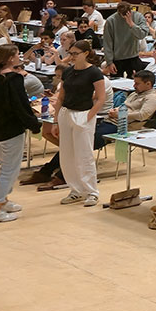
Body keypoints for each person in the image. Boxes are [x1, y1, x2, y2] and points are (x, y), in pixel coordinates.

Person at [0, 44, 40, 224]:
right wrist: (34, 125)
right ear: (10, 58)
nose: (19, 56)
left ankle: (4, 201)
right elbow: (20, 106)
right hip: (10, 131)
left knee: (7, 167)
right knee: (9, 171)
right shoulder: (13, 79)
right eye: (17, 54)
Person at [54, 41, 106, 207]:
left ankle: (91, 192)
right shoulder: (68, 71)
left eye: (76, 53)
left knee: (84, 155)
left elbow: (100, 98)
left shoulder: (94, 72)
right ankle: (76, 190)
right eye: (71, 53)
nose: (72, 56)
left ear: (86, 53)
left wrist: (89, 116)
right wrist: (56, 120)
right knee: (67, 155)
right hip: (66, 114)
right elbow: (61, 97)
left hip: (83, 115)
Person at [100, 3, 148, 77]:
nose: (124, 16)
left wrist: (132, 24)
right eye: (122, 14)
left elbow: (142, 35)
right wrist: (109, 62)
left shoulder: (138, 16)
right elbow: (107, 43)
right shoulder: (111, 20)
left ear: (130, 11)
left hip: (133, 57)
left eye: (127, 13)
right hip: (117, 58)